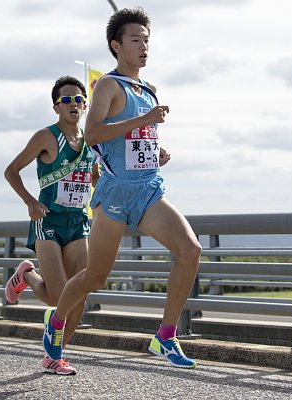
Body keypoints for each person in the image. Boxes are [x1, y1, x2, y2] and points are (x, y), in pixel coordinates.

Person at [42, 7, 201, 369]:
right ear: (116, 46)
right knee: (95, 277)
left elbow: (130, 139)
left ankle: (165, 337)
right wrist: (145, 120)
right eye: (135, 40)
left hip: (147, 190)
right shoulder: (109, 86)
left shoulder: (149, 89)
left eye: (147, 40)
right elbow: (95, 133)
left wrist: (152, 150)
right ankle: (56, 322)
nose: (144, 47)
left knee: (190, 250)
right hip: (114, 194)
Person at [4, 76, 97, 375]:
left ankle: (54, 356)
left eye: (79, 99)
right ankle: (27, 275)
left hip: (77, 220)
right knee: (58, 296)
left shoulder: (90, 141)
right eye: (67, 100)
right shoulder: (46, 136)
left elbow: (92, 178)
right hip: (48, 220)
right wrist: (30, 202)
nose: (74, 104)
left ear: (85, 104)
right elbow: (11, 171)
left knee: (79, 295)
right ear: (56, 106)